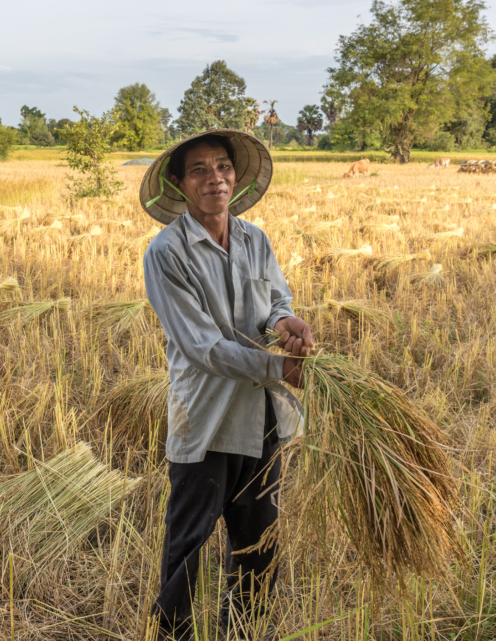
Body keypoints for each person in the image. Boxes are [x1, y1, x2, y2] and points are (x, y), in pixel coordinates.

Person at [140, 130, 314, 640]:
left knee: (259, 541)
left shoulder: (255, 239)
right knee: (188, 545)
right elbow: (203, 347)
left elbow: (274, 302)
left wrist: (287, 324)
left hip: (262, 417)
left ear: (235, 176)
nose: (214, 178)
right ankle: (174, 634)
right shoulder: (168, 253)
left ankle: (242, 631)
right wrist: (280, 369)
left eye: (222, 167)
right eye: (199, 169)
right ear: (179, 182)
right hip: (208, 419)